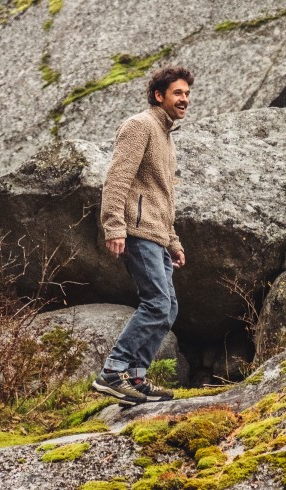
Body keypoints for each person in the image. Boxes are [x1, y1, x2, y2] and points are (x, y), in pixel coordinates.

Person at [91, 66, 193, 407]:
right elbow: (117, 178)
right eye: (178, 93)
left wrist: (174, 241)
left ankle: (136, 377)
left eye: (187, 94)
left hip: (158, 235)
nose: (184, 99)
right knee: (157, 303)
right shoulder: (140, 126)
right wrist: (114, 226)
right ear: (158, 95)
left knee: (169, 307)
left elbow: (164, 197)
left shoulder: (166, 136)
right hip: (137, 232)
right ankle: (112, 372)